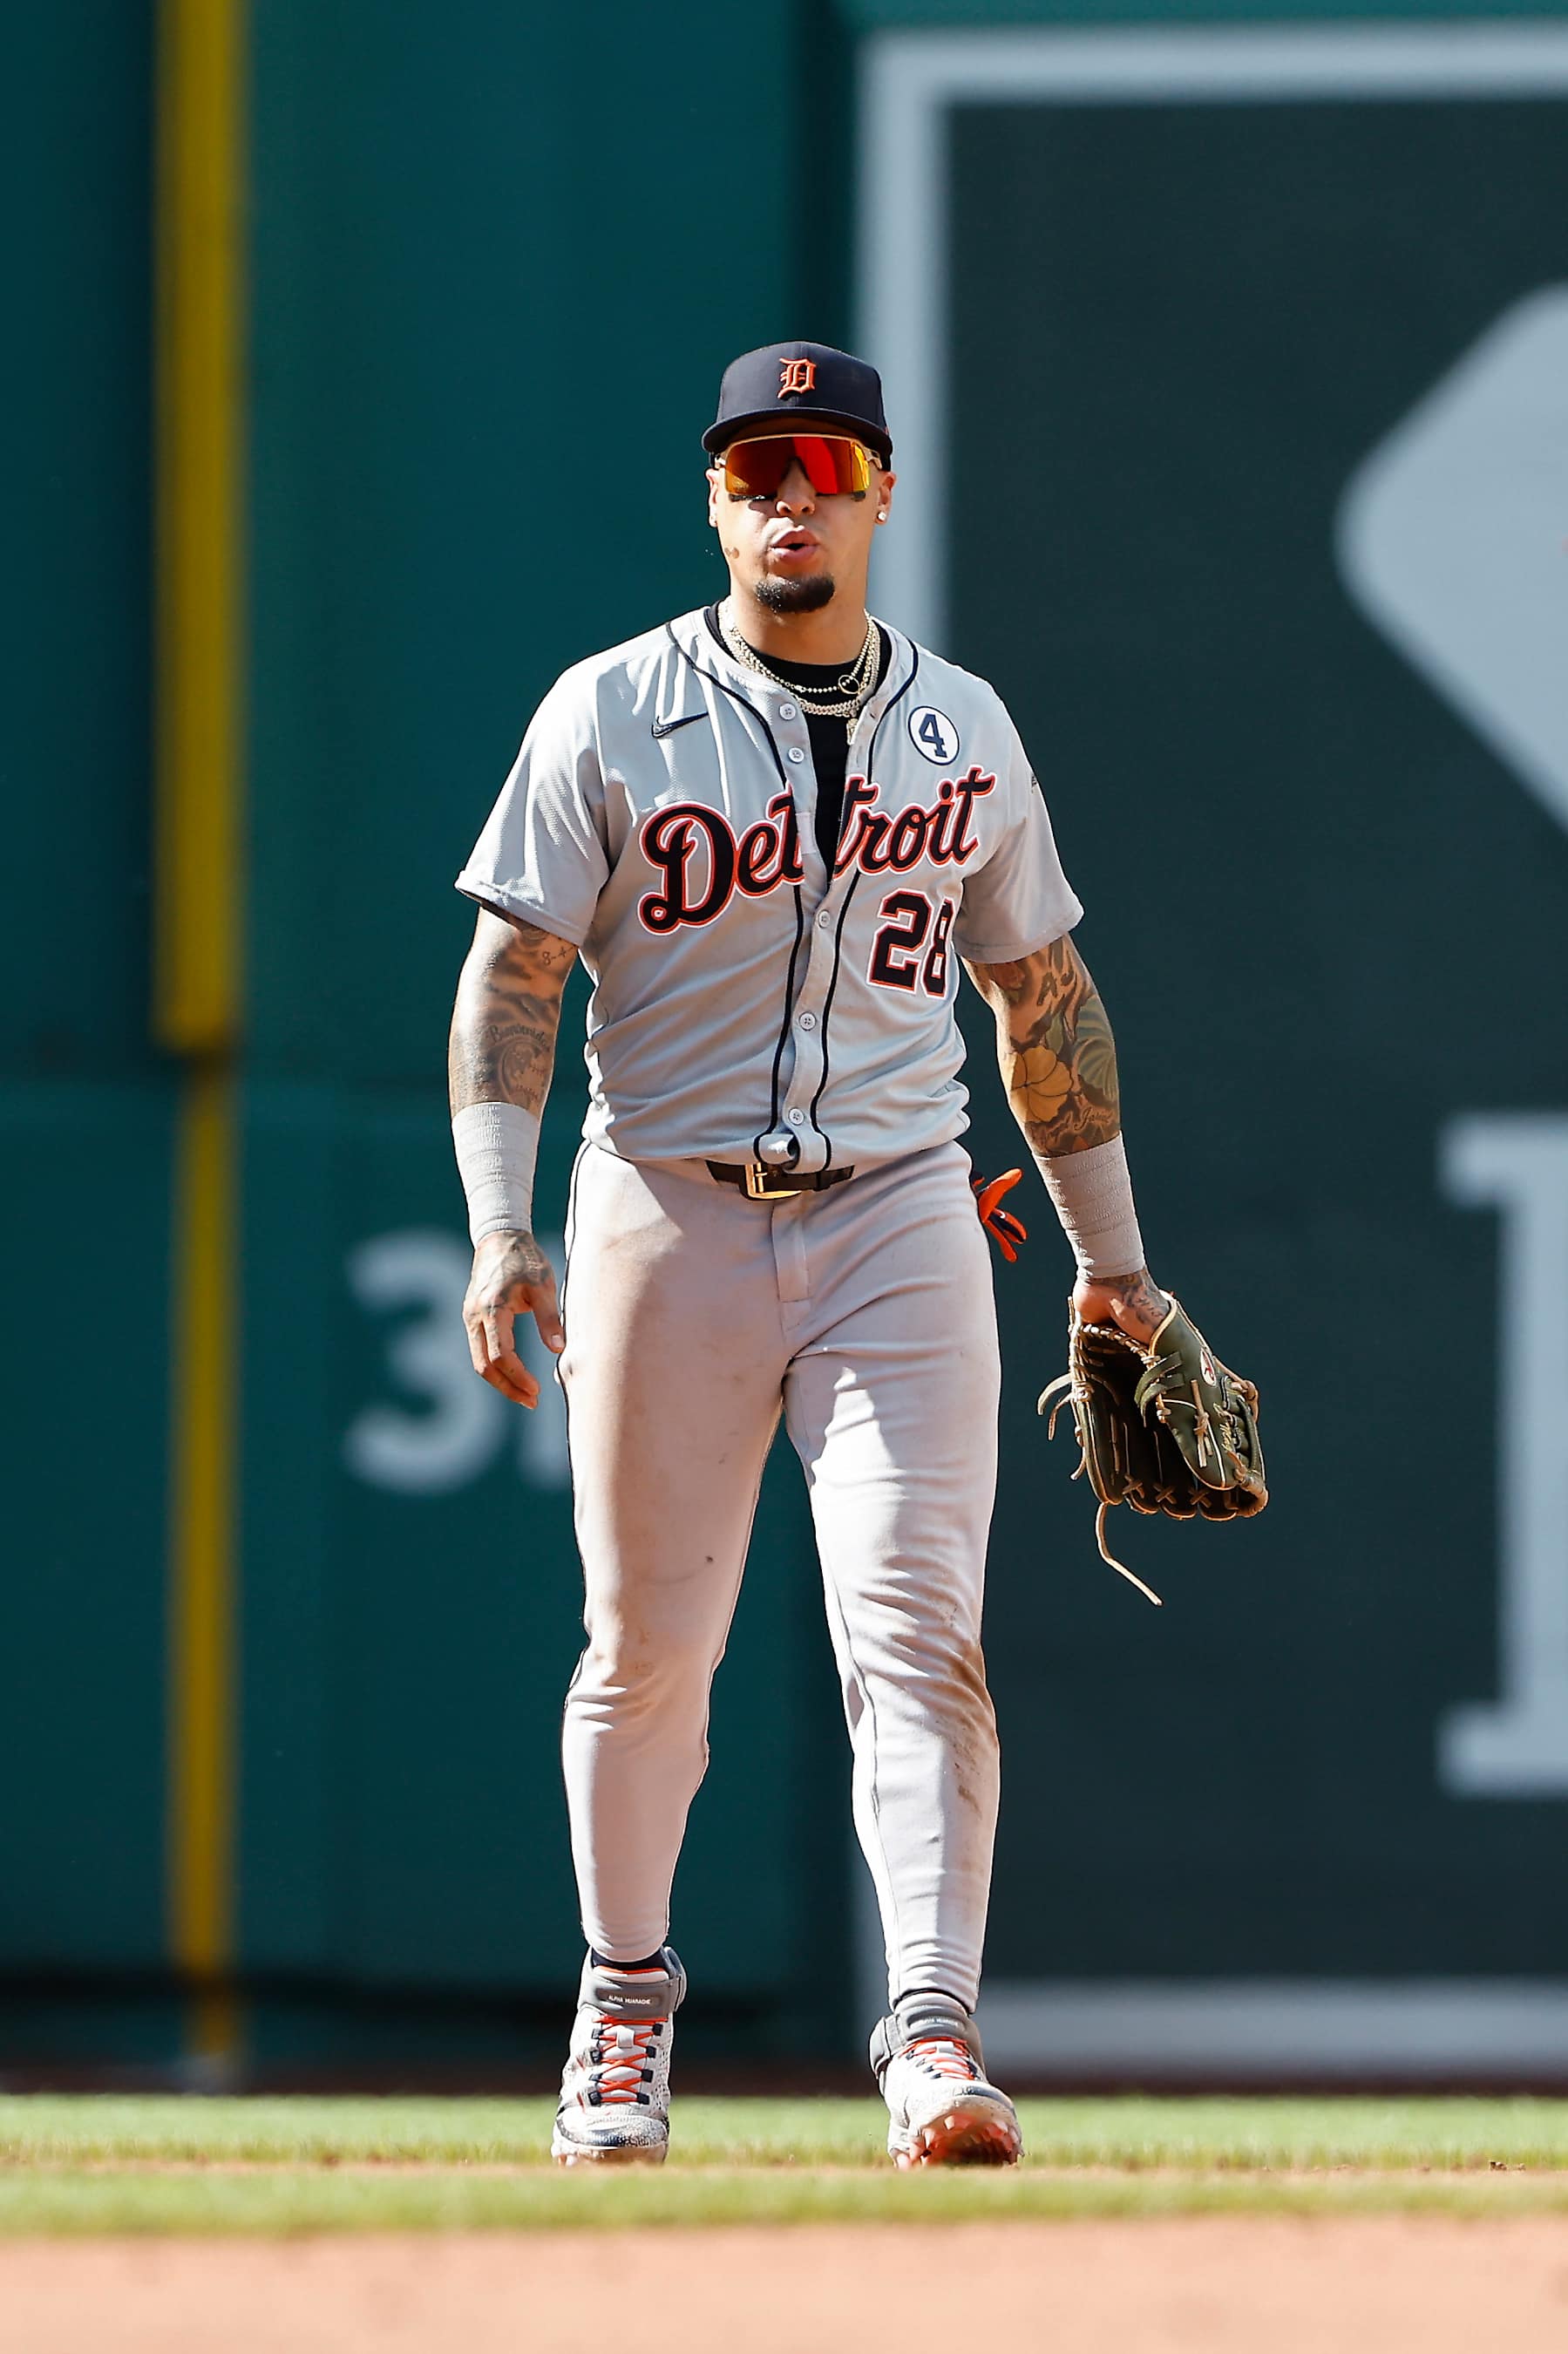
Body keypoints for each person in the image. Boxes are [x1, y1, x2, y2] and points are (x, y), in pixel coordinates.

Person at [447, 341, 1168, 2168]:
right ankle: (622, 2010)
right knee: (646, 1652)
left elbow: (1042, 999)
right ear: (716, 499)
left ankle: (934, 2034)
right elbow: (515, 979)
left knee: (921, 1632)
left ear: (879, 493)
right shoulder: (607, 711)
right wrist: (500, 1225)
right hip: (662, 1206)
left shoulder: (967, 726)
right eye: (757, 467)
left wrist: (1117, 1266)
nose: (792, 497)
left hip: (898, 1203)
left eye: (825, 463)